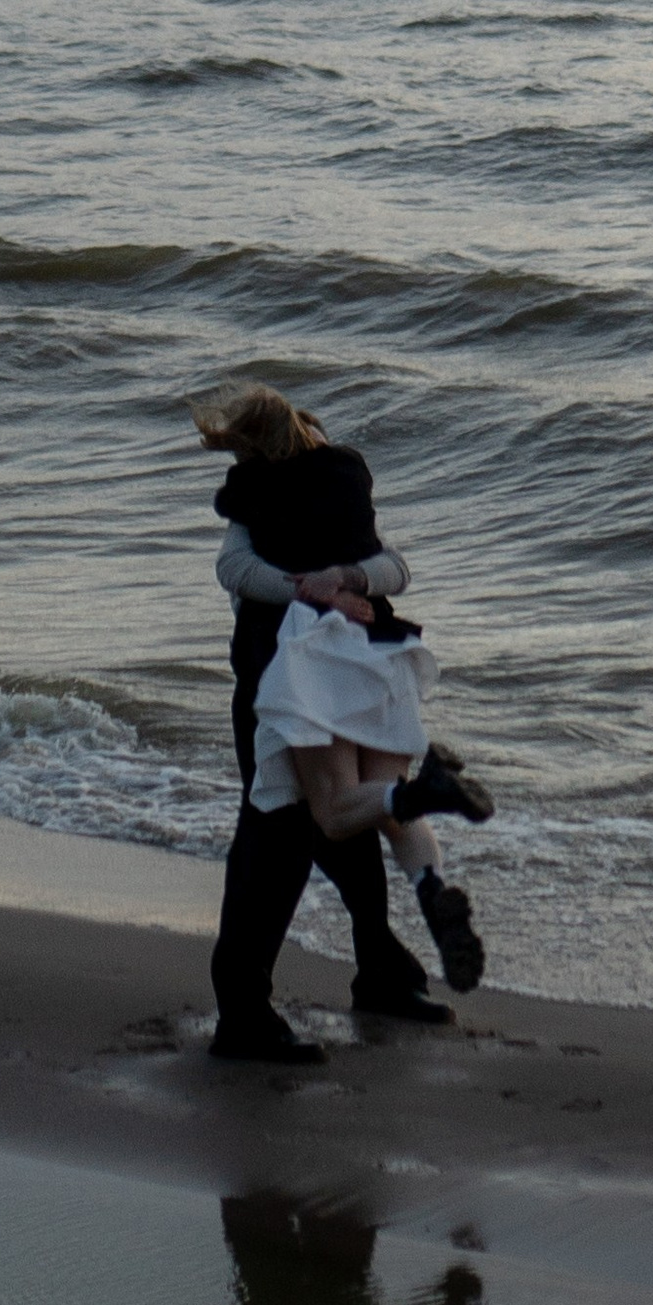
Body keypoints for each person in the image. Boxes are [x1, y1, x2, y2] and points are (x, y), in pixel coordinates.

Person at [192, 385, 492, 1063]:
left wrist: (306, 586)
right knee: (348, 832)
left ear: (249, 445)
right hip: (368, 666)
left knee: (275, 840)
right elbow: (394, 567)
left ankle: (244, 1014)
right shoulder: (348, 479)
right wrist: (346, 581)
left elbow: (233, 569)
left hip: (287, 677)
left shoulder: (251, 491)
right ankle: (387, 969)